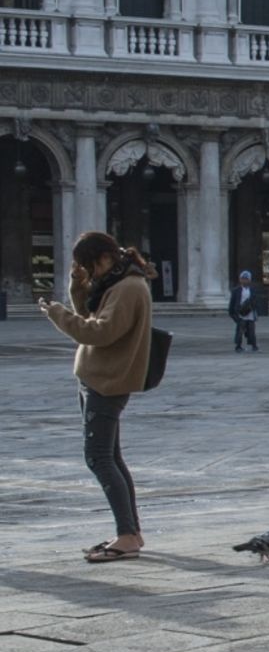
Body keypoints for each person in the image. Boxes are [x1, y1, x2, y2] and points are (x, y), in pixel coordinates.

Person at [38, 233, 155, 564]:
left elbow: (98, 333)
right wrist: (78, 290)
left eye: (90, 266)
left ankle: (128, 536)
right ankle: (131, 531)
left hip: (108, 380)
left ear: (104, 257)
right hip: (99, 377)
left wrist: (57, 314)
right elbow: (94, 318)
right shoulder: (120, 282)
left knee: (99, 458)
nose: (91, 272)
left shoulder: (129, 287)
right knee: (111, 457)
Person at [228, 270, 262, 352]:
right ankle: (238, 346)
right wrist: (233, 314)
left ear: (249, 280)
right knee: (240, 331)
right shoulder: (236, 290)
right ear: (240, 279)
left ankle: (254, 345)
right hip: (240, 314)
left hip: (250, 314)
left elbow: (256, 301)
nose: (244, 280)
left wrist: (256, 310)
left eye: (246, 279)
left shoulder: (252, 290)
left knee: (252, 331)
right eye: (243, 278)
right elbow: (232, 303)